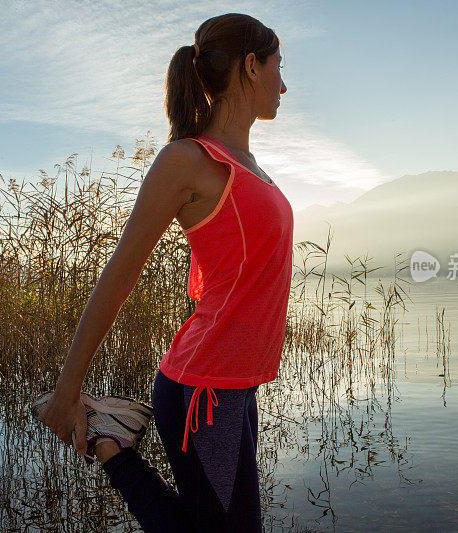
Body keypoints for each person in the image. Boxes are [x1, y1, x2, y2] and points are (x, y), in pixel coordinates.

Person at [37, 12, 291, 532]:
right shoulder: (187, 160)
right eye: (277, 67)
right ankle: (111, 445)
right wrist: (68, 390)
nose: (283, 85)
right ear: (250, 66)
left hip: (238, 387)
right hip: (203, 389)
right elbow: (120, 274)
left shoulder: (249, 164)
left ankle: (111, 443)